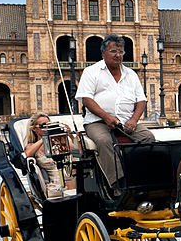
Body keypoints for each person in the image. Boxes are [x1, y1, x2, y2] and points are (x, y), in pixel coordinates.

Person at [74, 34, 154, 193]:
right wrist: (106, 117)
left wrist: (134, 119)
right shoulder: (91, 72)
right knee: (104, 141)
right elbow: (86, 99)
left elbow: (141, 100)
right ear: (103, 53)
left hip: (126, 121)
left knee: (148, 138)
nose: (118, 55)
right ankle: (118, 184)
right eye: (113, 51)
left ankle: (141, 177)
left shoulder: (131, 74)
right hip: (97, 121)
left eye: (121, 51)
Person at [24, 113, 64, 198]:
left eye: (49, 125)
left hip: (70, 175)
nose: (47, 127)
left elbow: (75, 149)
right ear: (34, 128)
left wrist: (68, 135)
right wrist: (45, 137)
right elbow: (28, 154)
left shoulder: (57, 141)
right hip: (56, 181)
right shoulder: (32, 145)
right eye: (43, 125)